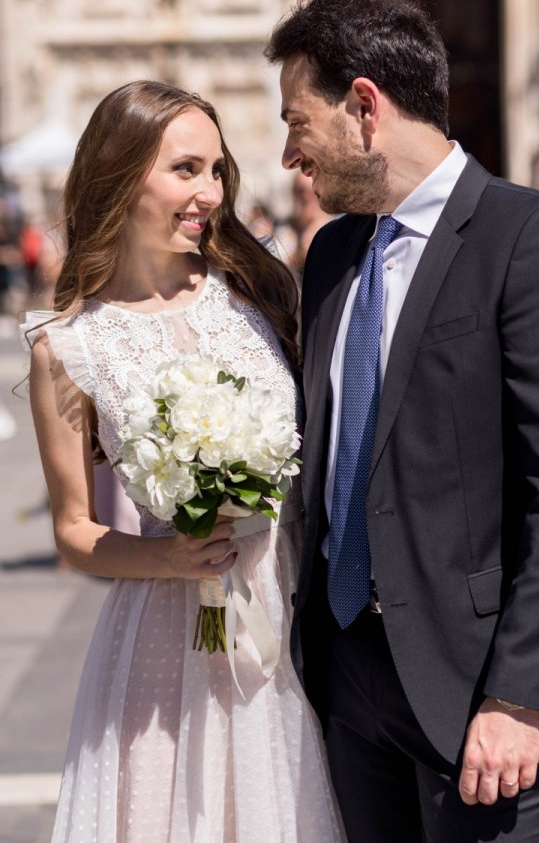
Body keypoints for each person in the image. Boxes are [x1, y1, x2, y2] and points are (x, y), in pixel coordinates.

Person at [265, 0, 539, 843]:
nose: (289, 155)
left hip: (478, 695)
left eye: (298, 121)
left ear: (364, 107)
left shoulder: (537, 241)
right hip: (348, 683)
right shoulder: (334, 252)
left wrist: (521, 694)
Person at [21, 80, 344, 842]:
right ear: (121, 174)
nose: (209, 192)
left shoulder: (259, 292)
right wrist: (172, 557)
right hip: (167, 636)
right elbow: (73, 530)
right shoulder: (67, 346)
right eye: (186, 170)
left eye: (217, 169)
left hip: (289, 608)